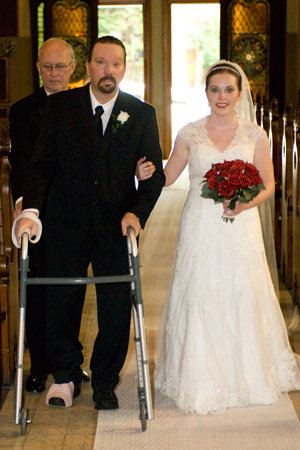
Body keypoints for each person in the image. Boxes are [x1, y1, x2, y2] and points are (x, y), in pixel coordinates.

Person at [14, 35, 165, 409]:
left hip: (117, 223)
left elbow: (154, 176)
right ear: (88, 67)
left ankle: (105, 381)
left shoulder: (140, 113)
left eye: (115, 63)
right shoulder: (62, 107)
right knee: (62, 300)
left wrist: (137, 212)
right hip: (66, 221)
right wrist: (31, 212)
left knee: (115, 303)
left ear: (124, 68)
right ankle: (65, 377)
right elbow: (41, 166)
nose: (107, 70)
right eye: (100, 62)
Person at [147, 60, 300, 414]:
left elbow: (269, 185)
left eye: (229, 89)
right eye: (215, 89)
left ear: (239, 93)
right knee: (199, 291)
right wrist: (148, 170)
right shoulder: (189, 134)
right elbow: (169, 177)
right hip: (199, 224)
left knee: (242, 290)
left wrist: (245, 203)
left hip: (240, 225)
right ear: (206, 93)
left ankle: (245, 372)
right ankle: (195, 374)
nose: (222, 96)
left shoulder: (254, 134)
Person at [9, 37, 90, 394]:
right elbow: (23, 163)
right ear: (38, 68)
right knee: (39, 288)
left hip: (76, 211)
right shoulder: (24, 110)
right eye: (47, 66)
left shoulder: (87, 106)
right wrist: (25, 205)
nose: (54, 73)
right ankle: (39, 365)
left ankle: (68, 363)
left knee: (71, 291)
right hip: (40, 211)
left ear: (73, 67)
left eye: (61, 66)